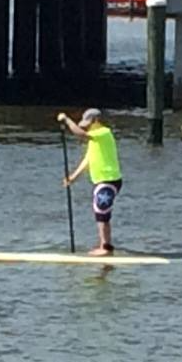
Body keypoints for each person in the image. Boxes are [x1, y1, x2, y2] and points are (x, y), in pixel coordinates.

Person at [59, 108, 122, 256]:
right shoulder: (95, 140)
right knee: (99, 211)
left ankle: (106, 248)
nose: (85, 126)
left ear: (96, 121)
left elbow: (81, 135)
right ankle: (104, 244)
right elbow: (87, 160)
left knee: (101, 211)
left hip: (109, 179)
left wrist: (67, 120)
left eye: (88, 123)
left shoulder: (103, 133)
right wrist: (73, 177)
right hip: (100, 180)